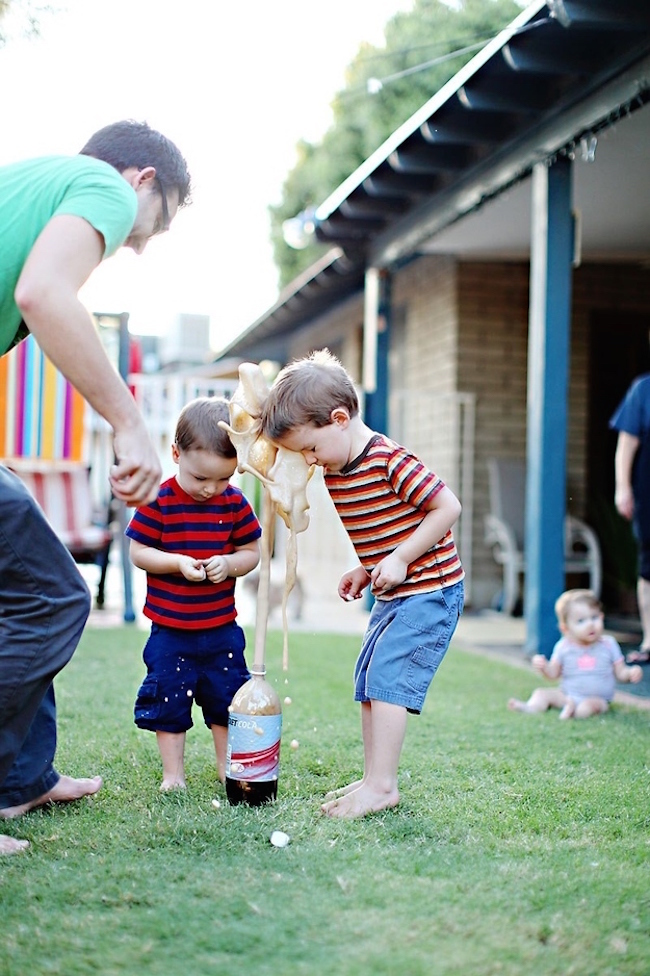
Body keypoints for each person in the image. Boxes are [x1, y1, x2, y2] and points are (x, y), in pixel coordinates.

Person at [0, 120, 191, 854]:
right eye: (159, 222)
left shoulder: (36, 188)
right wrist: (130, 421)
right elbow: (45, 294)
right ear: (142, 179)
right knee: (52, 594)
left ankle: (20, 778)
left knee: (23, 586)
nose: (140, 244)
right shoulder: (102, 186)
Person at [261, 349, 464, 819]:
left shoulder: (389, 458)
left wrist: (400, 557)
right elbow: (385, 523)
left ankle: (383, 787)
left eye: (310, 447)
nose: (309, 460)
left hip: (430, 589)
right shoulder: (337, 468)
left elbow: (447, 507)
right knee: (370, 677)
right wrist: (367, 566)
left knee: (390, 678)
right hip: (394, 589)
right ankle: (375, 778)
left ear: (339, 419)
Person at [126, 397, 261, 791]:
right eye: (201, 478)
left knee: (226, 699)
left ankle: (227, 766)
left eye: (223, 478)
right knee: (168, 700)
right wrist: (176, 562)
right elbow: (139, 552)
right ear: (175, 454)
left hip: (221, 629)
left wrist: (229, 564)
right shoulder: (158, 500)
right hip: (171, 630)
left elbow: (251, 552)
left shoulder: (235, 503)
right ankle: (174, 775)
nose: (210, 489)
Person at [508, 588, 642, 719]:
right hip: (568, 694)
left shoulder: (608, 644)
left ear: (602, 617)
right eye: (581, 621)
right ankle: (531, 707)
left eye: (594, 617)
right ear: (565, 628)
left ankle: (573, 712)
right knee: (541, 694)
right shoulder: (563, 646)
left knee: (588, 707)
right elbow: (553, 673)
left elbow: (620, 673)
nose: (590, 624)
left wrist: (630, 673)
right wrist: (544, 667)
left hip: (598, 698)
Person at [610, 373, 650, 664]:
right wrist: (623, 487)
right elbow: (627, 442)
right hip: (647, 489)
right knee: (648, 566)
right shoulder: (643, 388)